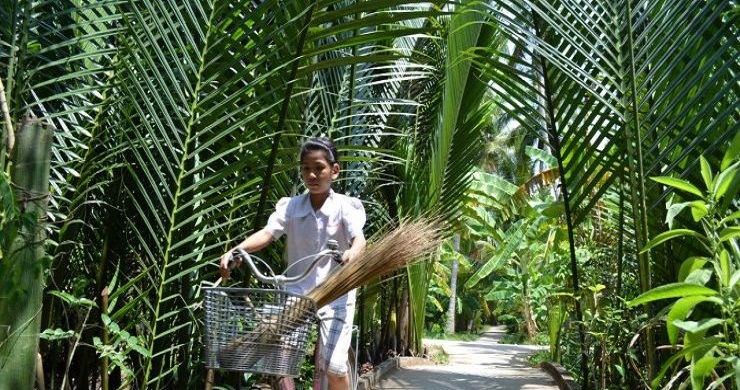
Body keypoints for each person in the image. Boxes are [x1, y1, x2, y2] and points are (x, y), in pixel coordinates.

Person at [220, 136, 366, 390]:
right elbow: (267, 233)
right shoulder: (292, 207)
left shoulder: (344, 207)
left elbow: (360, 240)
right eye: (306, 168)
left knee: (334, 366)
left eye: (319, 167)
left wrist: (354, 252)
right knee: (280, 363)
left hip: (336, 296)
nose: (312, 174)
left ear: (334, 171)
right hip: (298, 294)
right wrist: (237, 250)